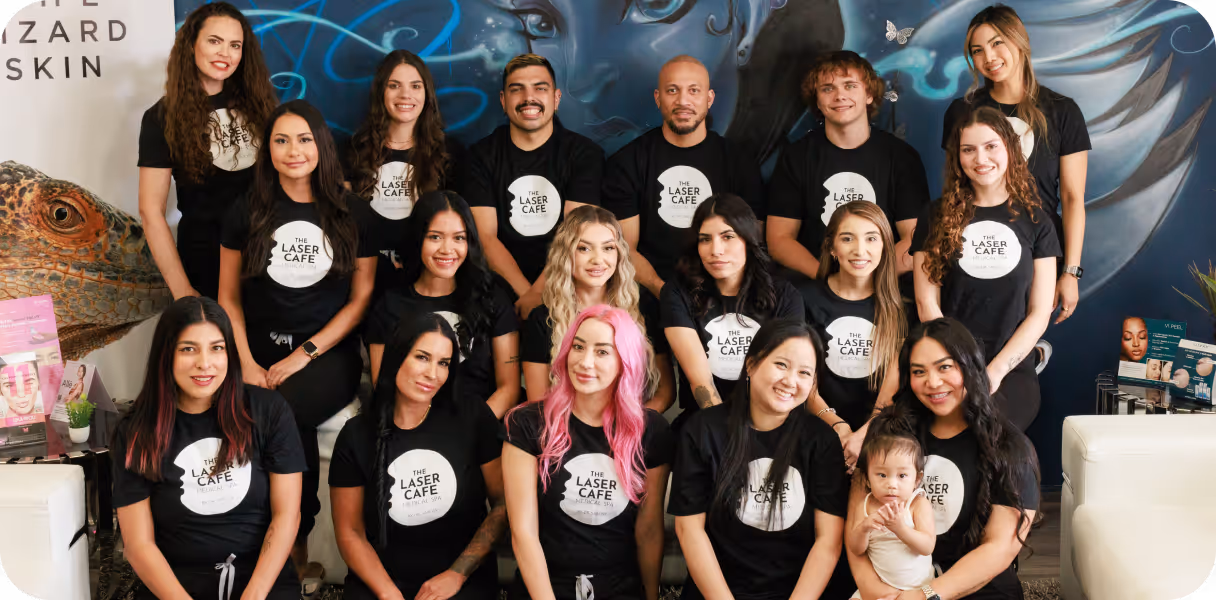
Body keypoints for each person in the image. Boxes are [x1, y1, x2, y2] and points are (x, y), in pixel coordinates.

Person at [218, 99, 377, 586]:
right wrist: (244, 361)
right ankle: (283, 551)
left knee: (275, 411)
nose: (294, 150)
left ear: (321, 145)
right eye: (281, 140)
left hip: (325, 355)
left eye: (304, 139)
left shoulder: (351, 211)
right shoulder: (247, 209)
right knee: (265, 407)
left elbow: (361, 297)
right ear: (268, 150)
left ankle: (288, 548)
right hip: (258, 351)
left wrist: (302, 354)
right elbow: (227, 297)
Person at [111, 297, 305, 600]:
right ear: (166, 355)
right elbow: (139, 545)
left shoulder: (269, 411)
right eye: (188, 349)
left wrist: (253, 597)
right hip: (174, 586)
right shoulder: (136, 430)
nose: (205, 363)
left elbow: (287, 516)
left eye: (217, 348)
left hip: (260, 581)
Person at [849, 318, 1039, 600]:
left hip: (974, 589)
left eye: (945, 367)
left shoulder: (1009, 446)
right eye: (918, 371)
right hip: (892, 585)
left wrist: (925, 595)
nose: (933, 382)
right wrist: (874, 590)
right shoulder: (888, 433)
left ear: (970, 367)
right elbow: (857, 522)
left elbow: (1000, 547)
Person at [669, 319, 849, 600]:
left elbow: (829, 541)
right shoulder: (703, 431)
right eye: (781, 365)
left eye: (804, 373)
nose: (791, 381)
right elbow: (689, 529)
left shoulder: (821, 440)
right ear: (751, 365)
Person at [330, 313, 506, 600]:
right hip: (383, 579)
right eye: (422, 357)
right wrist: (389, 593)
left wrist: (457, 573)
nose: (432, 374)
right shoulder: (356, 435)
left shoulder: (473, 417)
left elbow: (503, 504)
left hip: (458, 578)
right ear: (398, 355)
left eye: (443, 363)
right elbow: (350, 532)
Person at [503, 305, 674, 600]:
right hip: (546, 588)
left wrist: (651, 596)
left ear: (625, 362)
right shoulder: (527, 423)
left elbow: (648, 531)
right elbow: (523, 534)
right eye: (578, 347)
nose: (584, 362)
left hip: (621, 589)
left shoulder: (651, 430)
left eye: (602, 352)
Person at [911, 106, 1060, 432]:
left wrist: (992, 374)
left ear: (1009, 148)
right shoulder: (935, 216)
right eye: (969, 149)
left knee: (995, 449)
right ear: (957, 157)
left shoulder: (1037, 221)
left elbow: (1039, 312)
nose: (981, 158)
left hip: (1010, 371)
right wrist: (958, 369)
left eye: (991, 146)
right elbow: (927, 303)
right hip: (946, 369)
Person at [944, 4, 1090, 325]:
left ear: (1020, 41)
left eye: (998, 43)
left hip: (1038, 255)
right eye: (977, 50)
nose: (989, 58)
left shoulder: (1062, 112)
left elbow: (1072, 198)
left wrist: (1071, 272)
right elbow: (954, 188)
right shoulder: (961, 111)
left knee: (1021, 346)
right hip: (975, 249)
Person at [139, 1, 277, 300]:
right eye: (215, 41)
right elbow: (151, 213)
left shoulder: (262, 105)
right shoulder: (161, 117)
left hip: (269, 257)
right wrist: (183, 291)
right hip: (205, 262)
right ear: (191, 44)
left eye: (235, 45)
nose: (225, 54)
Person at [603, 55, 765, 299]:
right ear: (658, 98)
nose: (683, 101)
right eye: (672, 90)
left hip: (724, 289)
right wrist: (663, 292)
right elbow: (625, 249)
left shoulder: (739, 163)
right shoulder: (628, 162)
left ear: (709, 99)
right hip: (650, 290)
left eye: (694, 91)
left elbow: (752, 241)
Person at [767, 51, 929, 288]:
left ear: (869, 94)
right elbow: (779, 240)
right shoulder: (797, 157)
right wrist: (830, 282)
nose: (839, 95)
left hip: (883, 288)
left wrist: (871, 283)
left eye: (850, 85)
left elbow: (915, 239)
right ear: (818, 102)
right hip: (816, 286)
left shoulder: (901, 157)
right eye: (827, 88)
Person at [466, 53, 605, 319]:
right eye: (517, 89)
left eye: (540, 88)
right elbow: (484, 237)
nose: (528, 98)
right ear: (503, 101)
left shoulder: (584, 155)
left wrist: (539, 295)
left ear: (556, 98)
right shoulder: (479, 156)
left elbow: (577, 234)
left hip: (568, 279)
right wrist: (525, 296)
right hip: (499, 285)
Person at [365, 190, 521, 419]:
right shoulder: (390, 305)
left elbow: (509, 389)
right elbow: (386, 391)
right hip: (412, 429)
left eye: (459, 237)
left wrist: (468, 432)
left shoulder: (492, 297)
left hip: (479, 427)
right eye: (435, 237)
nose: (447, 249)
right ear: (418, 239)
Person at [662, 194, 802, 429]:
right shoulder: (677, 293)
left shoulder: (785, 295)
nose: (715, 250)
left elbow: (786, 374)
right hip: (705, 422)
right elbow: (701, 382)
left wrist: (756, 431)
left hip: (771, 421)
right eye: (705, 239)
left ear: (747, 240)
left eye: (728, 237)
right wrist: (727, 435)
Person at [521, 205, 674, 413]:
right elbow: (538, 404)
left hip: (634, 432)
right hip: (568, 437)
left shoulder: (643, 308)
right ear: (565, 254)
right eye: (584, 248)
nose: (598, 259)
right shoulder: (543, 319)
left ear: (619, 253)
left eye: (608, 248)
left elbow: (665, 393)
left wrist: (632, 427)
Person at [344, 49, 467, 289]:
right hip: (364, 279)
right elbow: (342, 228)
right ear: (381, 92)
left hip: (428, 282)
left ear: (427, 93)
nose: (405, 95)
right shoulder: (350, 152)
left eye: (415, 86)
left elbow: (459, 231)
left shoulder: (451, 153)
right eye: (394, 85)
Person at [799, 201, 906, 470]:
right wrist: (837, 426)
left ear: (885, 245)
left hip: (880, 436)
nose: (860, 250)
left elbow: (896, 384)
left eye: (872, 238)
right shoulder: (803, 300)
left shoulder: (902, 310)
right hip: (816, 428)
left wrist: (866, 433)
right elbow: (798, 374)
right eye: (848, 238)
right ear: (832, 248)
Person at [844, 417, 934, 598]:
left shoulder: (916, 504)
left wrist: (900, 528)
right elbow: (856, 549)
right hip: (880, 591)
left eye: (902, 475)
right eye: (882, 475)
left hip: (919, 589)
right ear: (868, 479)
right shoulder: (866, 505)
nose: (891, 484)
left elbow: (927, 547)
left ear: (917, 479)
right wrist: (863, 529)